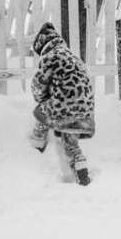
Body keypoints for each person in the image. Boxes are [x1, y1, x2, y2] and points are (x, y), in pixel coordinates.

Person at [28, 22, 95, 186]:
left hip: (63, 107)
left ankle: (37, 144)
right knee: (70, 142)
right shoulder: (74, 57)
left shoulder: (50, 57)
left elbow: (38, 84)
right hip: (84, 110)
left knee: (41, 112)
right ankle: (80, 166)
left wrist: (42, 99)